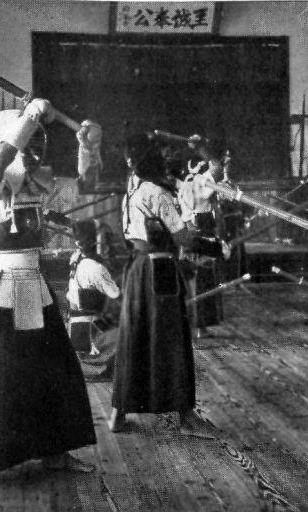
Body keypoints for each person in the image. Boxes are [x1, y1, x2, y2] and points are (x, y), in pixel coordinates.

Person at [0, 100, 100, 486]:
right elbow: (1, 164)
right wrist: (31, 116)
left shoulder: (37, 185)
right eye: (26, 145)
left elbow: (84, 185)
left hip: (34, 287)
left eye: (38, 146)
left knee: (54, 371)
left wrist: (87, 145)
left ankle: (55, 451)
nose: (33, 154)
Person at [108, 133, 230, 433]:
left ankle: (118, 414)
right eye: (160, 157)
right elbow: (183, 238)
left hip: (138, 270)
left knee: (134, 337)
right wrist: (216, 247)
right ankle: (185, 415)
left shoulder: (132, 187)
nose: (165, 162)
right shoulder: (156, 193)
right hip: (159, 271)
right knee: (173, 340)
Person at [171, 135, 226, 338]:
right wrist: (202, 147)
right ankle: (200, 326)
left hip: (186, 230)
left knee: (189, 278)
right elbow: (217, 168)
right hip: (201, 230)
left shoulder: (181, 183)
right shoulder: (201, 182)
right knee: (202, 278)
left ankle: (188, 324)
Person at [66, 219, 121, 379]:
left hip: (77, 327)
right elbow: (117, 295)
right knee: (130, 331)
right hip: (90, 333)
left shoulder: (76, 258)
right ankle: (103, 368)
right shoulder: (96, 268)